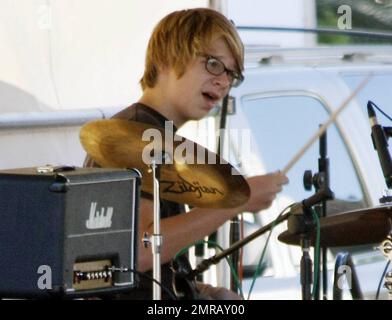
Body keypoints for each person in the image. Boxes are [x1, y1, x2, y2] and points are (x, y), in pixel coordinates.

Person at [84, 7, 288, 300]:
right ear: (169, 56)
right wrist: (237, 201)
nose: (224, 81)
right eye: (214, 65)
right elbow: (140, 251)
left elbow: (153, 273)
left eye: (232, 74)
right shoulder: (135, 133)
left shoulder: (159, 136)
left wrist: (207, 293)